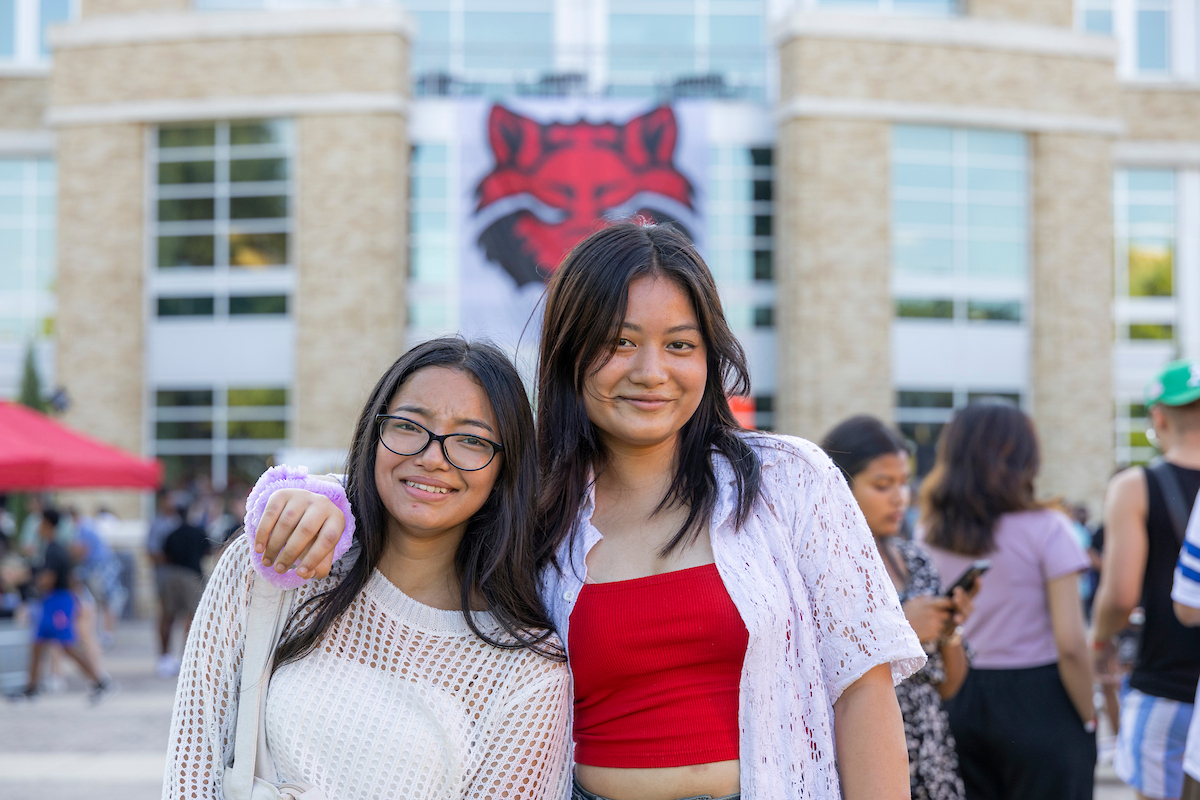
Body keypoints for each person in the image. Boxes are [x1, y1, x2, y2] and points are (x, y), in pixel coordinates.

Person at [252, 222, 924, 800]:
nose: (651, 371)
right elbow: (417, 484)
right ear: (572, 353)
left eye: (681, 345)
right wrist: (311, 498)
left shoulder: (790, 481)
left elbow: (861, 688)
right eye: (620, 342)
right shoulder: (529, 501)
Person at [163, 338, 572, 800]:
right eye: (408, 426)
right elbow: (191, 769)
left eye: (472, 439)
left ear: (506, 467)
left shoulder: (526, 669)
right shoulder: (272, 565)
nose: (433, 457)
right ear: (373, 433)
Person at [921, 401, 1096, 800]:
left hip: (958, 692)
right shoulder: (1049, 528)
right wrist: (1088, 716)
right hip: (1039, 697)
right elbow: (1071, 642)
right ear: (1025, 457)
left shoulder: (931, 532)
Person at [821, 415, 972, 800]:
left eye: (904, 483)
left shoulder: (913, 559)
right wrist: (905, 629)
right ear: (840, 485)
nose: (899, 498)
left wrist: (951, 628)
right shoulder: (822, 566)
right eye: (882, 485)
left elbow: (949, 686)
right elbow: (815, 677)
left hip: (930, 751)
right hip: (866, 758)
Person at [1093, 359, 1200, 800]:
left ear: (1158, 416)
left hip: (1165, 685)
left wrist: (1097, 640)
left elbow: (1120, 595)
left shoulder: (1136, 486)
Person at [10, 509, 113, 702]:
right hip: (54, 601)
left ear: (47, 525)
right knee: (37, 645)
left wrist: (26, 581)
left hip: (58, 602)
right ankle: (31, 688)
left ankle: (100, 681)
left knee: (67, 646)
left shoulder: (53, 549)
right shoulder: (54, 548)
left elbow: (49, 579)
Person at [160, 509, 212, 651]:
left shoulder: (172, 534)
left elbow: (165, 555)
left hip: (173, 574)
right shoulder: (199, 532)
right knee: (193, 617)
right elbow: (208, 552)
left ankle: (164, 656)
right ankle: (187, 653)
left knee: (168, 617)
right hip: (192, 575)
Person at [146, 489, 183, 677]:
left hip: (180, 575)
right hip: (165, 576)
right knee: (166, 616)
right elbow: (152, 552)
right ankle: (164, 657)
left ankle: (181, 656)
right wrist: (174, 558)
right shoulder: (158, 524)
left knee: (184, 616)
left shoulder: (179, 521)